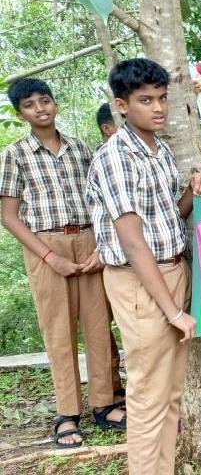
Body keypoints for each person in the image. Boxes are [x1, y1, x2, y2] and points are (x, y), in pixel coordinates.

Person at [86, 58, 201, 473]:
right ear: (122, 106)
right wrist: (173, 311)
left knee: (171, 393)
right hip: (140, 283)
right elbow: (133, 242)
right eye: (145, 100)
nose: (158, 108)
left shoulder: (159, 151)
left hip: (172, 270)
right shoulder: (116, 157)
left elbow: (170, 216)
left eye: (161, 98)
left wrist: (193, 192)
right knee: (147, 400)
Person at [1, 78, 125, 448]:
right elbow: (8, 216)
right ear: (20, 114)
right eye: (29, 105)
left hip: (89, 240)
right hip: (46, 244)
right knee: (58, 331)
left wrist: (101, 246)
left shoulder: (80, 148)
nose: (40, 109)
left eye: (45, 101)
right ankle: (67, 413)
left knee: (99, 326)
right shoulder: (15, 154)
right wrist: (49, 256)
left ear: (55, 104)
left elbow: (100, 199)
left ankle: (105, 403)